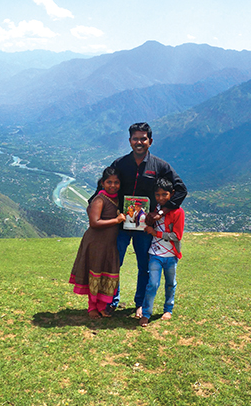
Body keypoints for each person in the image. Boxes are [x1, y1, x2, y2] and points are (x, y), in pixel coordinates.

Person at [90, 122, 187, 318]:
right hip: (121, 225)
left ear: (150, 141)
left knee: (144, 266)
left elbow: (181, 190)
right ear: (129, 141)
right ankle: (111, 302)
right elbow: (104, 185)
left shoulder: (160, 166)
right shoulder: (120, 164)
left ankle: (140, 304)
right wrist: (93, 208)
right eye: (135, 138)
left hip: (146, 228)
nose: (139, 142)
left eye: (143, 138)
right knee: (114, 263)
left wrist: (160, 213)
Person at [70, 167, 126, 319]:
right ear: (102, 183)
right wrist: (117, 220)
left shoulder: (115, 198)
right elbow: (94, 222)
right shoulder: (100, 199)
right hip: (96, 243)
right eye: (109, 182)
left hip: (109, 244)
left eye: (116, 182)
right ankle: (92, 307)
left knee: (105, 274)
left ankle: (102, 306)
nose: (112, 185)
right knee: (95, 273)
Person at [139, 177, 185, 327]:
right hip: (155, 254)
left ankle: (168, 309)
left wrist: (155, 233)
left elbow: (176, 236)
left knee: (170, 283)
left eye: (164, 194)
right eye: (157, 195)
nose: (161, 198)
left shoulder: (178, 212)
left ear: (171, 194)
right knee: (152, 284)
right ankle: (146, 313)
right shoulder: (153, 208)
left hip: (171, 255)